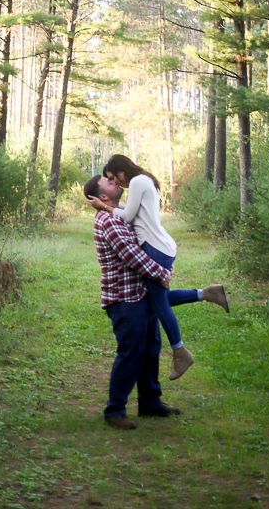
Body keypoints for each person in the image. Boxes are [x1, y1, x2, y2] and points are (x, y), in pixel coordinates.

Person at [89, 154, 229, 382]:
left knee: (158, 303)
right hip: (160, 246)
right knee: (156, 300)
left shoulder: (136, 181)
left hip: (154, 248)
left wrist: (103, 206)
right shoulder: (143, 181)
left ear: (121, 169)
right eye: (110, 180)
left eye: (114, 177)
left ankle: (180, 351)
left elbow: (127, 215)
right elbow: (133, 210)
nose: (116, 182)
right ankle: (207, 293)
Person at [83, 171, 181, 430]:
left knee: (150, 349)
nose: (115, 181)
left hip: (140, 294)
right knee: (131, 353)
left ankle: (150, 402)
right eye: (109, 182)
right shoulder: (107, 221)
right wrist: (162, 275)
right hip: (124, 299)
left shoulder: (120, 213)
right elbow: (132, 255)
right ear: (103, 195)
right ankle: (115, 410)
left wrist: (163, 268)